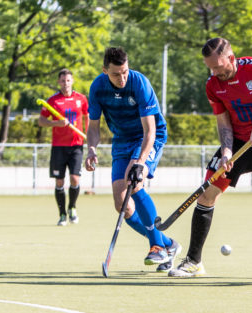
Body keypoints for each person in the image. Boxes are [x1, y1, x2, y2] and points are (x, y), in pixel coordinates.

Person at [169, 37, 252, 278]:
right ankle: (193, 261)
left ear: (231, 58)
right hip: (239, 142)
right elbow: (223, 122)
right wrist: (227, 151)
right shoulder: (212, 84)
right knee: (208, 193)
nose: (215, 72)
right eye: (210, 67)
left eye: (218, 66)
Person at [84, 47, 180, 272]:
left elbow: (150, 131)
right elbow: (94, 127)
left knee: (134, 182)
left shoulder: (139, 83)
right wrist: (91, 149)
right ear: (105, 70)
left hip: (148, 137)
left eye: (125, 71)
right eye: (116, 74)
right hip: (121, 138)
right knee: (122, 205)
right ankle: (168, 244)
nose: (122, 78)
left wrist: (140, 162)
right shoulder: (98, 87)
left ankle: (156, 246)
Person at [38, 69, 89, 226]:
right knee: (59, 182)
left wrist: (88, 135)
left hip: (76, 145)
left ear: (72, 81)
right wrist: (56, 123)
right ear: (58, 82)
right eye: (62, 81)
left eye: (68, 80)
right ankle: (62, 214)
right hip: (59, 147)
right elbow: (41, 120)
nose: (65, 83)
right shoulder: (52, 101)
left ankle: (72, 208)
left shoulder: (81, 99)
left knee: (74, 178)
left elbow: (88, 117)